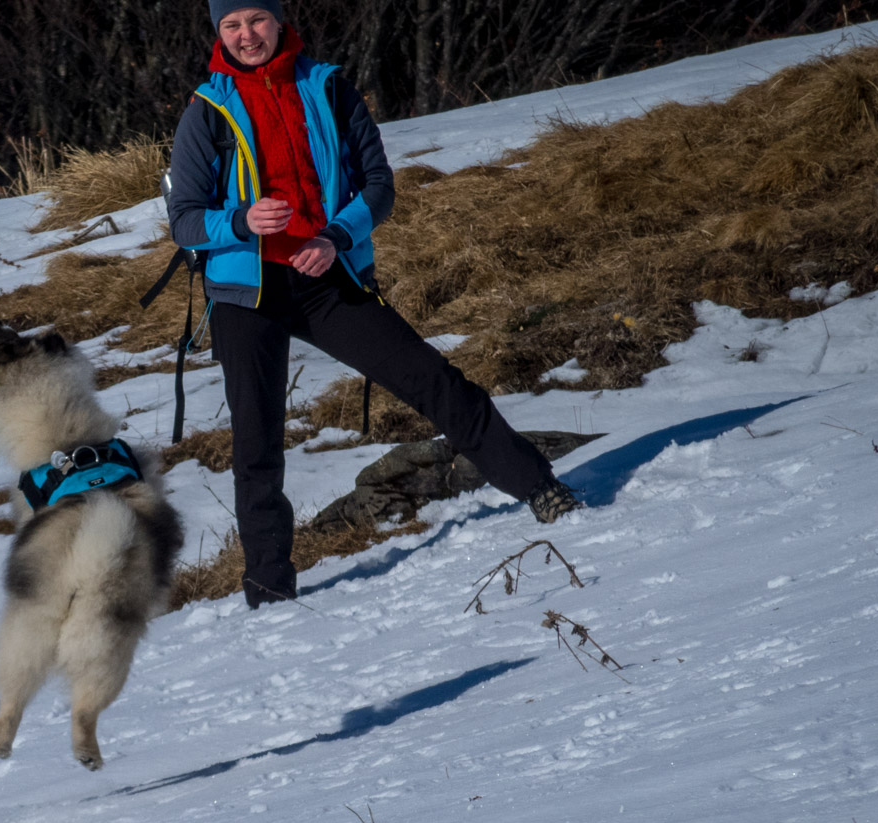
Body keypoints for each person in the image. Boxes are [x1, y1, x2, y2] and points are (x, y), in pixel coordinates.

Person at [167, 0, 581, 608]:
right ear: (218, 34)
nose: (246, 35)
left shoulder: (329, 88)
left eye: (255, 19)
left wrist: (335, 239)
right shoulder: (207, 108)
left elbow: (380, 188)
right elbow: (183, 222)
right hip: (244, 293)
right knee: (256, 445)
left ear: (279, 22)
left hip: (325, 276)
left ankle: (541, 489)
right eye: (231, 25)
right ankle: (269, 593)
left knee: (433, 379)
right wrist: (241, 219)